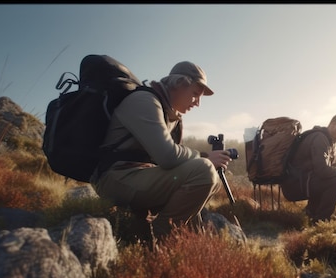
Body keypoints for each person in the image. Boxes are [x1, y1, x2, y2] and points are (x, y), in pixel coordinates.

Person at [90, 61, 233, 242]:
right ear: (179, 83)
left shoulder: (169, 113)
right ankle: (158, 238)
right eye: (195, 94)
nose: (197, 103)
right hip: (115, 177)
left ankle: (192, 242)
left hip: (136, 175)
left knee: (212, 179)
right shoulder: (144, 101)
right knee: (204, 170)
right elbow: (167, 156)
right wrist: (204, 156)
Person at [281, 114, 336, 224]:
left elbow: (321, 167)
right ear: (333, 125)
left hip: (300, 182)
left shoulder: (326, 140)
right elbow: (322, 171)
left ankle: (310, 212)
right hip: (295, 186)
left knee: (329, 179)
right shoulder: (320, 139)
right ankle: (320, 220)